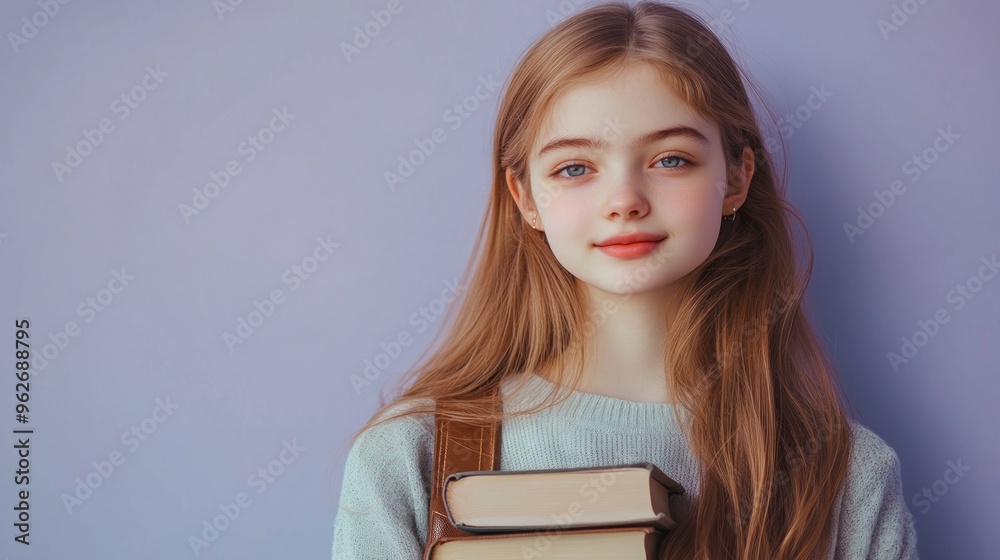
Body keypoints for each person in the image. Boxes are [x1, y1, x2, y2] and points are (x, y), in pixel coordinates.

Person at [331, 2, 919, 558]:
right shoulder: (408, 456)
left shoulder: (847, 477)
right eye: (575, 168)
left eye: (671, 159)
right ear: (526, 197)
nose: (624, 201)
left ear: (738, 178)